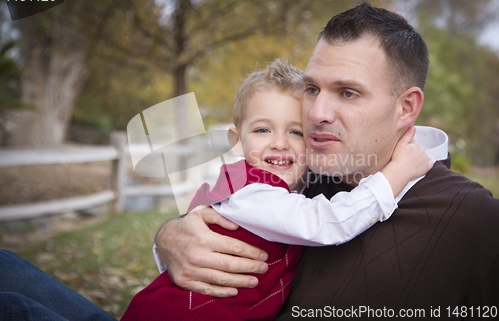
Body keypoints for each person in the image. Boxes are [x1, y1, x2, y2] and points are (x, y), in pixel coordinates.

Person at [155, 3, 499, 319]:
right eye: (311, 89)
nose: (316, 114)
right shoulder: (297, 175)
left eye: (347, 93)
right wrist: (168, 239)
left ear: (406, 107)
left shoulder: (473, 218)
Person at [121, 59, 432, 321]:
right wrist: (398, 173)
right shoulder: (250, 190)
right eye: (262, 129)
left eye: (296, 131)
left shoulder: (280, 190)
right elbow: (328, 223)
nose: (279, 142)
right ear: (236, 142)